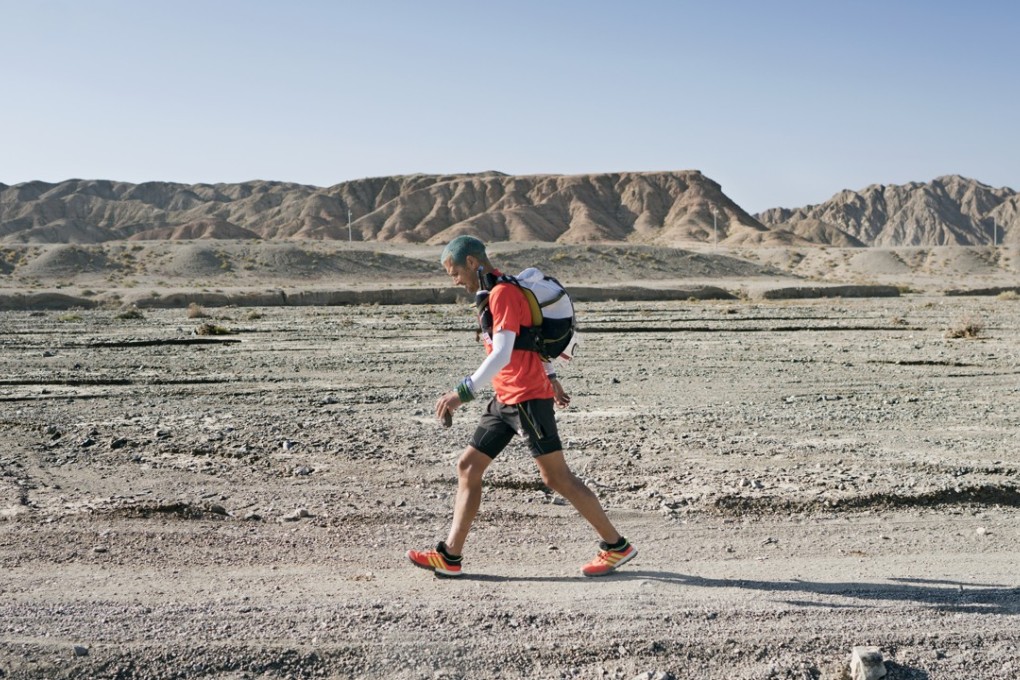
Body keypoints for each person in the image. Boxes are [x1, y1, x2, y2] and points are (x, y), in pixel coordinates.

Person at [407, 235, 637, 578]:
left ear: (471, 262)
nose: (454, 281)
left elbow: (502, 353)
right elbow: (529, 341)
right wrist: (552, 376)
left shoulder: (503, 293)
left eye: (454, 272)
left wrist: (462, 393)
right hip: (504, 398)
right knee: (468, 466)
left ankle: (616, 545)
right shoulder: (496, 292)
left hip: (527, 397)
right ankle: (450, 556)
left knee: (556, 477)